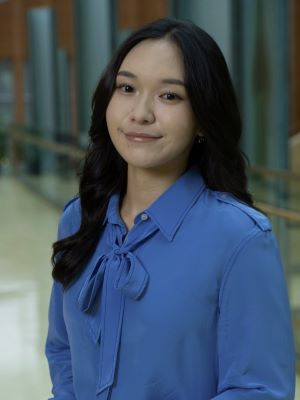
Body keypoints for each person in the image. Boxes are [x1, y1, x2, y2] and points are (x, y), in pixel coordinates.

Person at [45, 17, 295, 400]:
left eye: (170, 96)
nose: (140, 113)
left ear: (203, 121)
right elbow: (63, 350)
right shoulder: (79, 217)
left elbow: (258, 390)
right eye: (127, 88)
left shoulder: (239, 238)